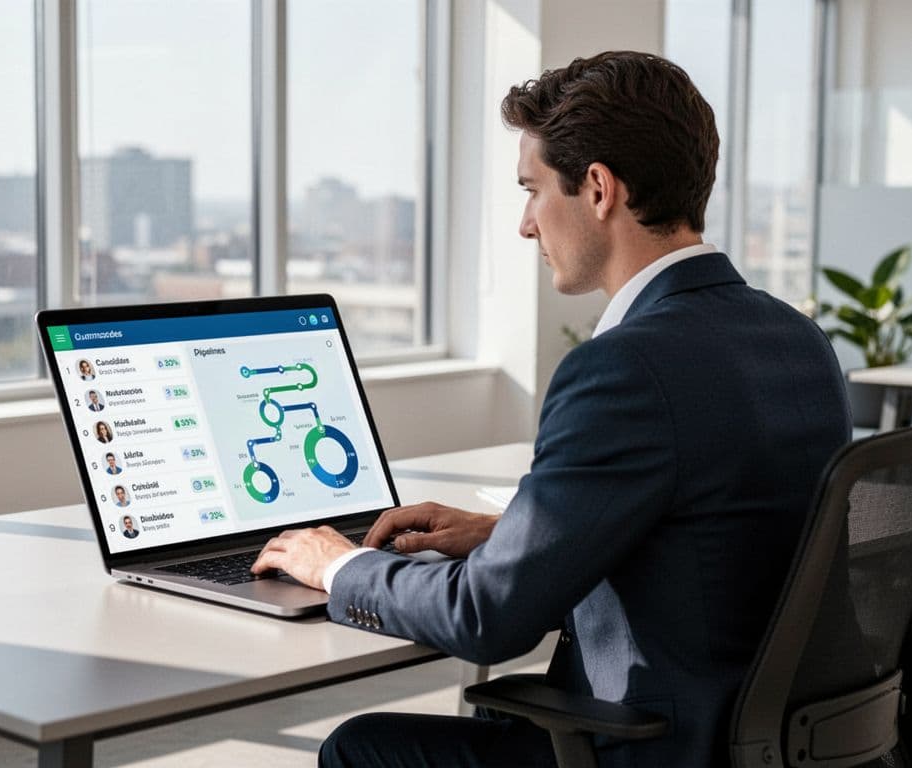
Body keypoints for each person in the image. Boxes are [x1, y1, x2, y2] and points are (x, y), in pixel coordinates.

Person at [251, 51, 850, 767]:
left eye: (532, 190)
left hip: (662, 747)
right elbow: (719, 529)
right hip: (781, 742)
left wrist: (338, 566)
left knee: (362, 748)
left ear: (598, 189)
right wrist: (510, 537)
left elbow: (487, 620)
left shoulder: (624, 368)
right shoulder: (796, 338)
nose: (526, 225)